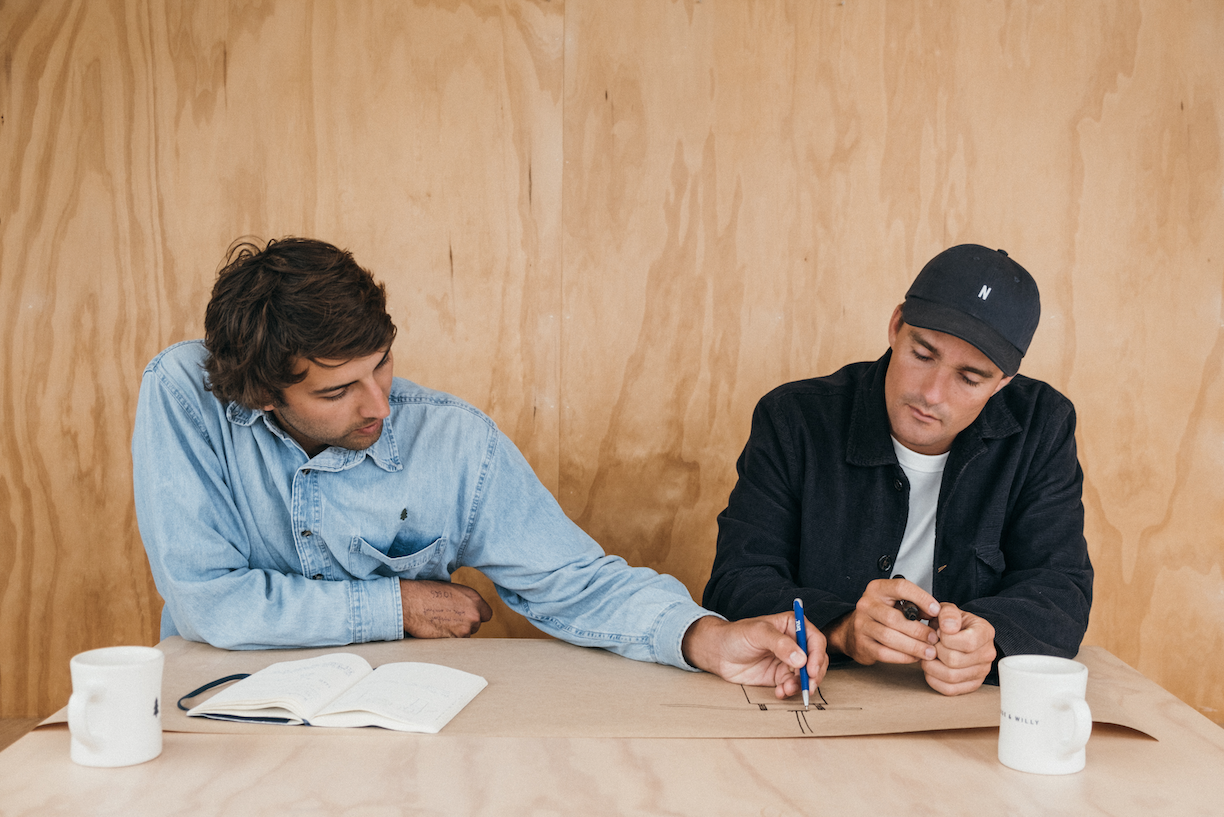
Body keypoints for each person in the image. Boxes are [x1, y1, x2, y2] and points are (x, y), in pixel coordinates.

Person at [133, 237, 827, 700]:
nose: (380, 405)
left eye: (383, 364)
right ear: (261, 393)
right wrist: (397, 604)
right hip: (219, 711)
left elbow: (576, 582)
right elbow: (207, 600)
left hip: (391, 727)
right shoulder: (184, 394)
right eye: (338, 391)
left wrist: (705, 637)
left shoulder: (454, 440)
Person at [702, 244, 1092, 696]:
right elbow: (737, 581)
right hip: (825, 693)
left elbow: (1061, 589)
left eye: (969, 378)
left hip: (964, 710)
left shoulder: (1043, 425)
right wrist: (842, 627)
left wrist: (990, 639)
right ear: (895, 326)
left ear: (1003, 382)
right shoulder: (794, 419)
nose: (932, 393)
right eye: (922, 354)